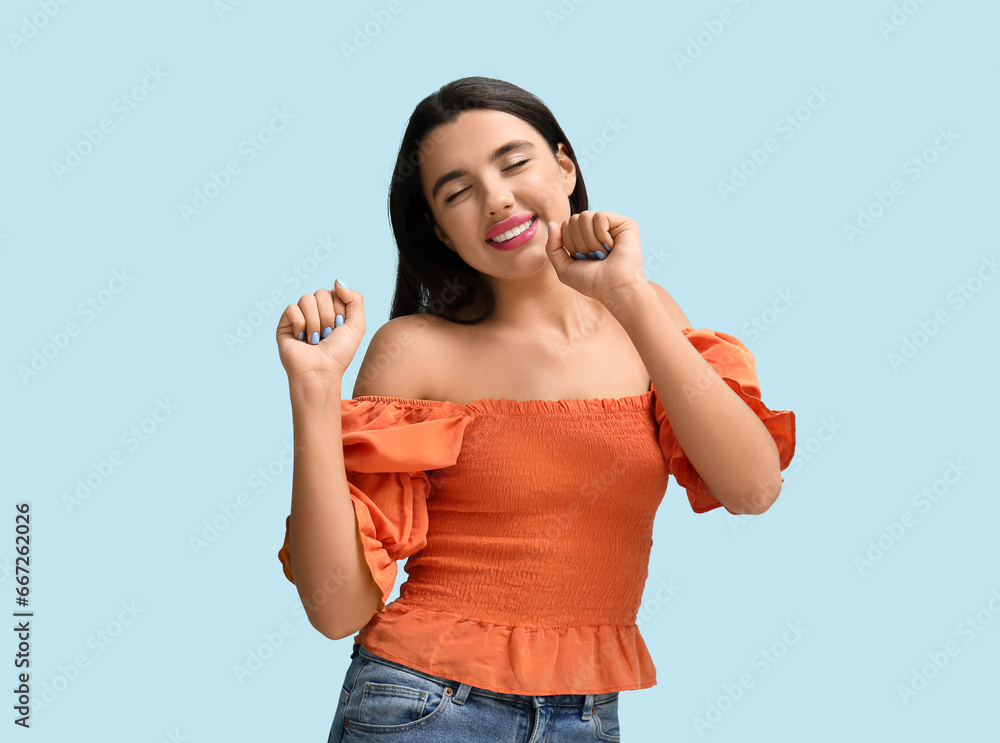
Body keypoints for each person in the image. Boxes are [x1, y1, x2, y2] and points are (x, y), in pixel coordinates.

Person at [275, 76, 796, 741]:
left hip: (586, 714)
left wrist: (628, 294)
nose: (496, 198)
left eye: (514, 162)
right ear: (439, 228)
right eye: (457, 191)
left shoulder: (650, 315)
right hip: (425, 703)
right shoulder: (416, 350)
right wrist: (314, 392)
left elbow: (752, 486)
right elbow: (337, 606)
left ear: (566, 166)